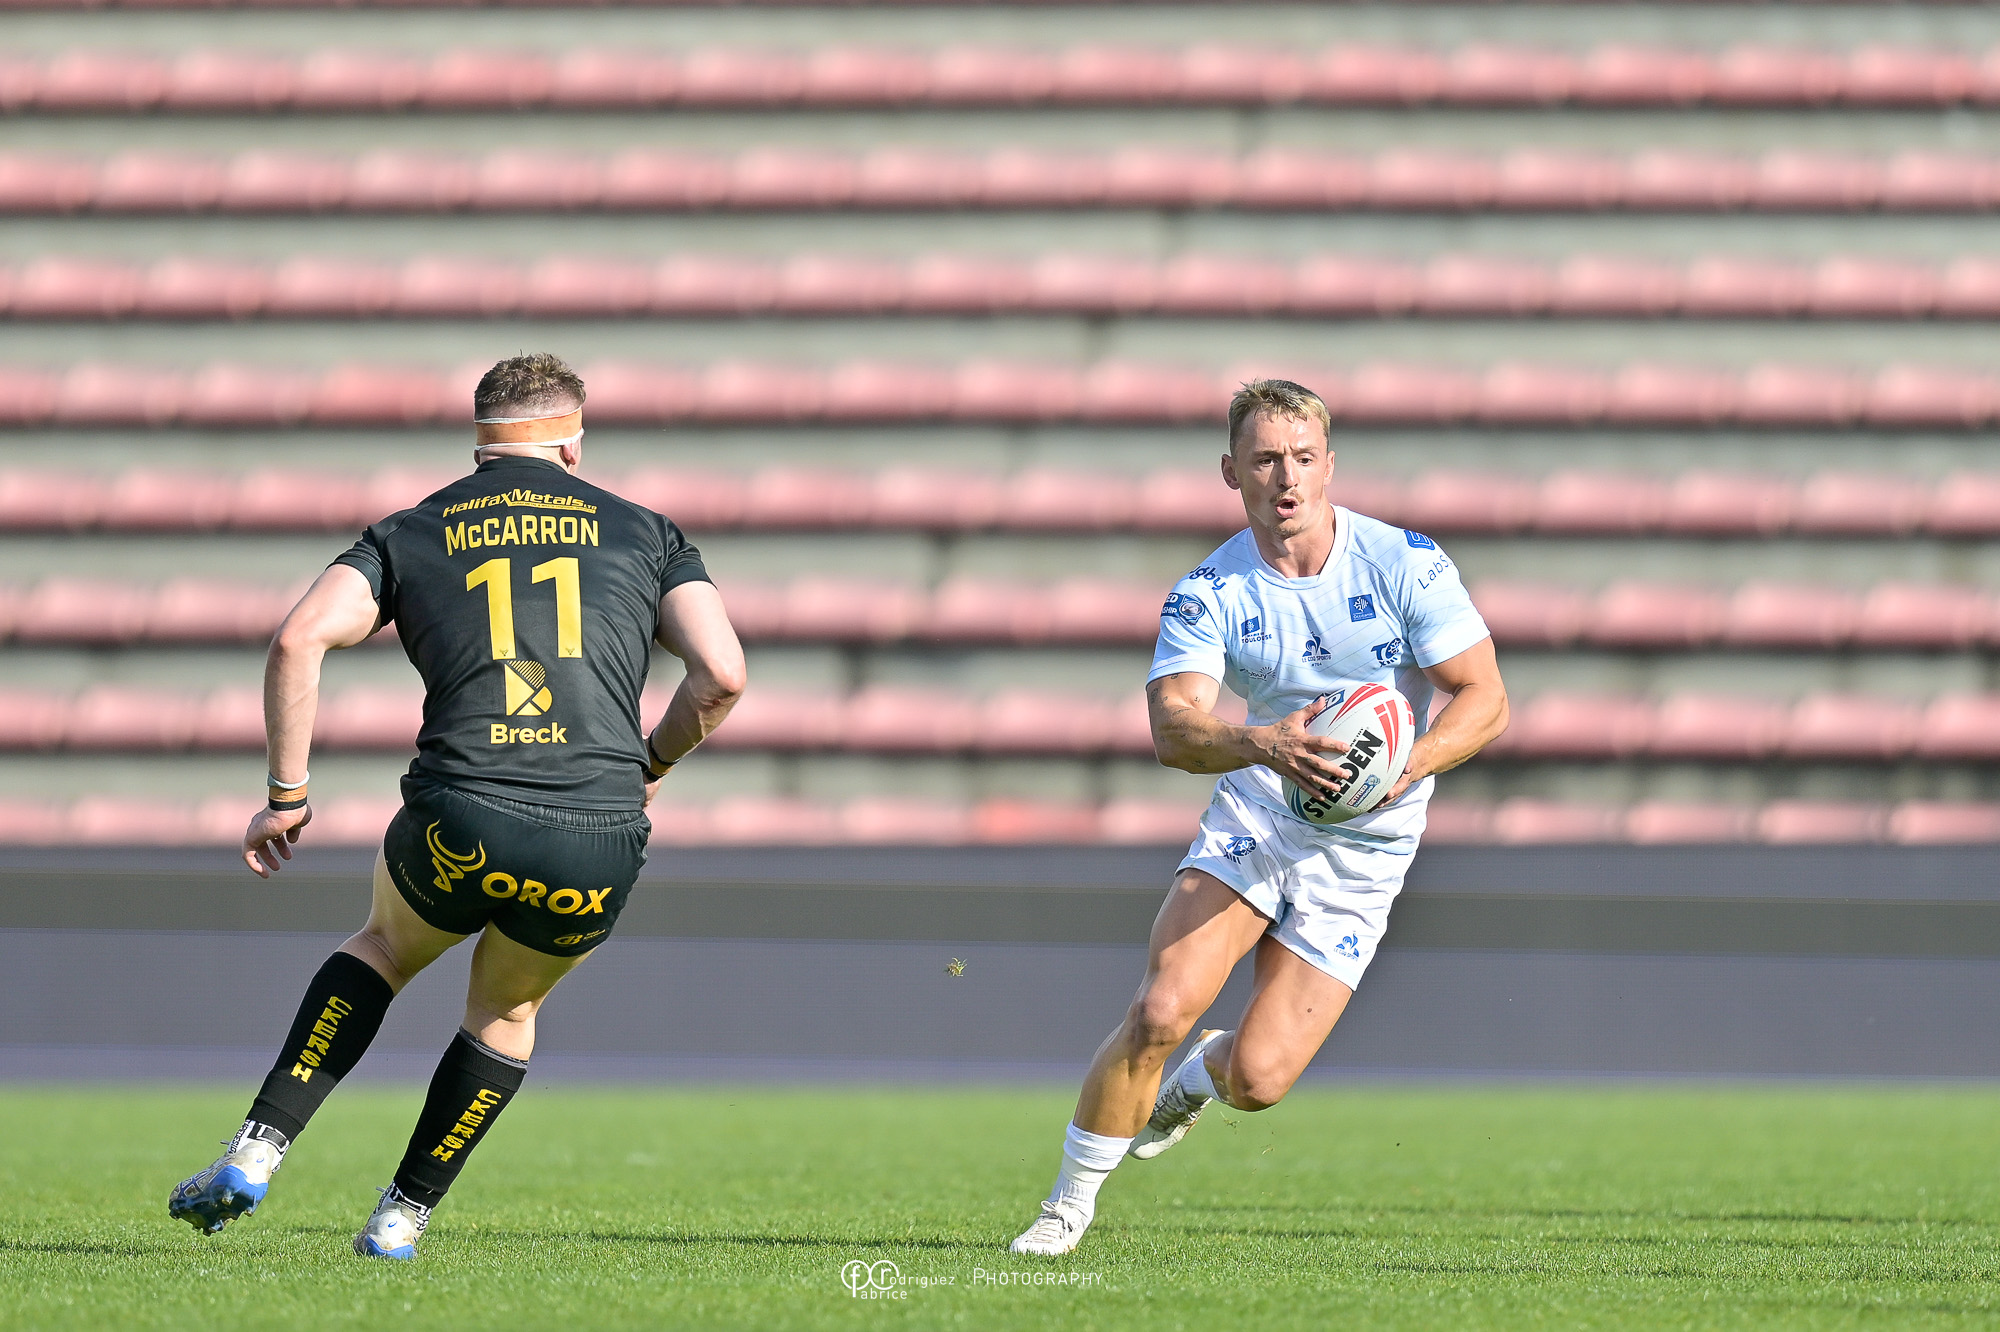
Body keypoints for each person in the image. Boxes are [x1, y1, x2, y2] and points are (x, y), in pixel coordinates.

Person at [168, 352, 745, 1259]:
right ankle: (401, 1217)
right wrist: (652, 764)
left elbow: (298, 640)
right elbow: (722, 674)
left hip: (462, 808)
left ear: (480, 446)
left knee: (385, 948)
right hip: (594, 831)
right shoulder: (648, 533)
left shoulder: (413, 529)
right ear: (572, 444)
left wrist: (286, 797)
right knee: (505, 1014)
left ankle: (257, 1150)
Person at [1009, 379, 1508, 1256]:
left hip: (1370, 844)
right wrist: (1263, 745)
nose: (1288, 477)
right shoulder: (1210, 590)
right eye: (1268, 459)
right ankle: (1065, 1208)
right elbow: (1174, 728)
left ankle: (1202, 1076)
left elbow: (1486, 698)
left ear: (1330, 466)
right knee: (1160, 1008)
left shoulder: (1403, 563)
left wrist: (1407, 765)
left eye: (1304, 458)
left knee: (1260, 1079)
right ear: (1231, 470)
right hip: (1264, 809)